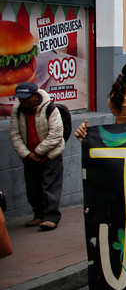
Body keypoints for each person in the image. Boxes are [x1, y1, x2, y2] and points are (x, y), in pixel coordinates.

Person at [8, 83, 65, 231]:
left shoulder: (50, 108)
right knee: (33, 189)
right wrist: (26, 154)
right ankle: (38, 215)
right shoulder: (18, 110)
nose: (24, 102)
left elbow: (56, 135)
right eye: (21, 99)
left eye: (27, 99)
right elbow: (14, 134)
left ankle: (51, 218)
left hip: (50, 154)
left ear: (35, 96)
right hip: (30, 156)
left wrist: (38, 151)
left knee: (50, 187)